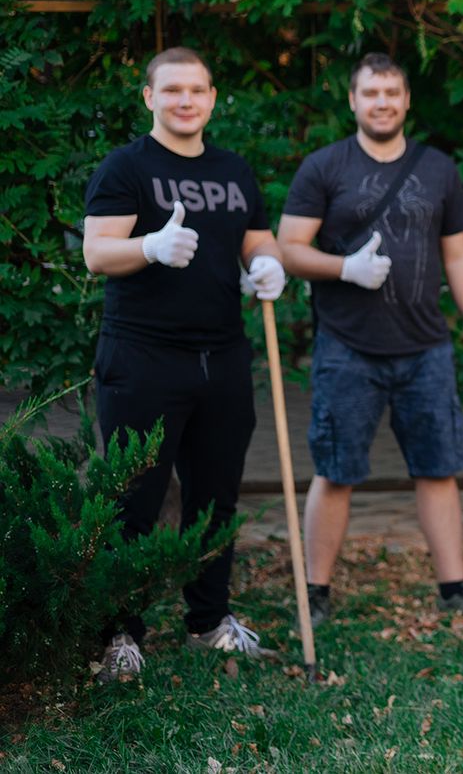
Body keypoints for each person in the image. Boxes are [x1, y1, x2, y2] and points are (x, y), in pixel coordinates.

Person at [82, 47, 287, 682]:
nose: (185, 101)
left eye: (196, 90)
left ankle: (208, 622)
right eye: (171, 90)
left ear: (213, 97)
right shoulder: (126, 167)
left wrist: (267, 266)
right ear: (148, 97)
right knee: (133, 501)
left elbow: (256, 239)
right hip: (143, 356)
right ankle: (119, 632)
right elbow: (95, 252)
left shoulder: (232, 169)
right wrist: (148, 244)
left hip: (221, 356)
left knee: (216, 497)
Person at [278, 53, 463, 625]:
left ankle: (454, 586)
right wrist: (344, 268)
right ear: (352, 100)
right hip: (346, 345)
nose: (382, 102)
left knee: (438, 468)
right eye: (370, 93)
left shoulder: (438, 169)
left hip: (424, 346)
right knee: (336, 470)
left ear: (405, 101)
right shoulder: (323, 167)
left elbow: (457, 254)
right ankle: (316, 591)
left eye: (392, 93)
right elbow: (289, 248)